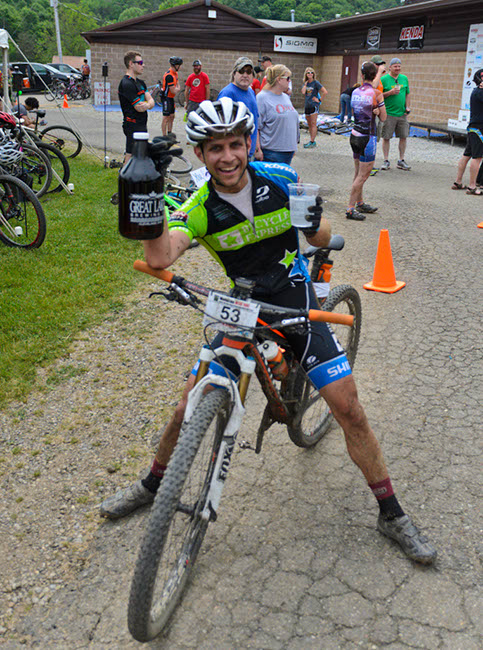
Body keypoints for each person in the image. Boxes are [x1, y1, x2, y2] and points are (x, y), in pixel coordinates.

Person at [100, 98, 437, 566]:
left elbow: (319, 237)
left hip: (296, 297)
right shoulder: (199, 205)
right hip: (240, 305)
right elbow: (159, 258)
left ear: (248, 143)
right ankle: (152, 483)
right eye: (214, 148)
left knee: (350, 408)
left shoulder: (278, 179)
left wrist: (317, 224)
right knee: (186, 406)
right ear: (200, 154)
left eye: (235, 144)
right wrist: (151, 194)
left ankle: (391, 512)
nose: (227, 156)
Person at [346, 62, 387, 221]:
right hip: (368, 137)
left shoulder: (355, 91)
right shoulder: (376, 93)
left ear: (362, 75)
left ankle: (359, 202)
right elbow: (383, 118)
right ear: (375, 75)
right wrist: (376, 111)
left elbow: (354, 111)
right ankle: (350, 208)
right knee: (363, 176)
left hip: (355, 134)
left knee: (357, 173)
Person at [218, 56, 261, 160]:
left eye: (249, 72)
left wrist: (257, 148)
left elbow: (255, 121)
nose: (245, 75)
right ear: (234, 74)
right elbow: (221, 127)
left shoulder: (251, 92)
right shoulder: (228, 93)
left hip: (249, 152)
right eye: (241, 71)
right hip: (234, 155)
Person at [256, 64, 299, 165]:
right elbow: (256, 126)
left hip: (287, 151)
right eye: (288, 78)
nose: (290, 81)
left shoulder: (285, 97)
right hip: (271, 152)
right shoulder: (262, 98)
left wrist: (293, 146)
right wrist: (257, 149)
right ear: (279, 80)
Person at [118, 51, 155, 163]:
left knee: (140, 154)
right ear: (131, 64)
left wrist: (147, 104)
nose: (143, 65)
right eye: (140, 62)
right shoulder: (126, 84)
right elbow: (139, 107)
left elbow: (151, 102)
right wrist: (147, 104)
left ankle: (136, 176)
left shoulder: (140, 83)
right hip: (132, 124)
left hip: (141, 124)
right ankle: (124, 177)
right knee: (130, 154)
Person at [452, 69, 483, 195]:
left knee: (466, 155)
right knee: (477, 157)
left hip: (473, 128)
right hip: (479, 129)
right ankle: (472, 186)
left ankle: (458, 182)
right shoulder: (479, 93)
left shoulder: (477, 92)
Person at [380, 58, 411, 171]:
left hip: (402, 113)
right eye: (395, 66)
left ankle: (401, 160)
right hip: (388, 113)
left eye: (399, 66)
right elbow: (379, 95)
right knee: (386, 137)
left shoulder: (404, 78)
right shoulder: (383, 79)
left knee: (403, 136)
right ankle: (386, 160)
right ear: (390, 67)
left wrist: (407, 106)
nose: (397, 68)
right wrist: (390, 92)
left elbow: (407, 94)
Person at [302, 67, 327, 149]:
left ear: (313, 74)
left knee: (313, 123)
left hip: (314, 105)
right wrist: (305, 85)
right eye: (308, 72)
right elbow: (303, 92)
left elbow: (325, 91)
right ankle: (311, 139)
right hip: (307, 105)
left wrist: (319, 100)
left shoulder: (316, 83)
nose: (310, 74)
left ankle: (312, 141)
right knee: (309, 124)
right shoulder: (306, 83)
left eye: (311, 72)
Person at [161, 56, 183, 136]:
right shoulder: (169, 75)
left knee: (172, 116)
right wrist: (177, 89)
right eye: (179, 65)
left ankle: (169, 134)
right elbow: (174, 90)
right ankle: (164, 136)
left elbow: (178, 86)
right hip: (166, 97)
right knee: (166, 117)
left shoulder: (175, 74)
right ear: (175, 65)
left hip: (171, 97)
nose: (180, 67)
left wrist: (176, 88)